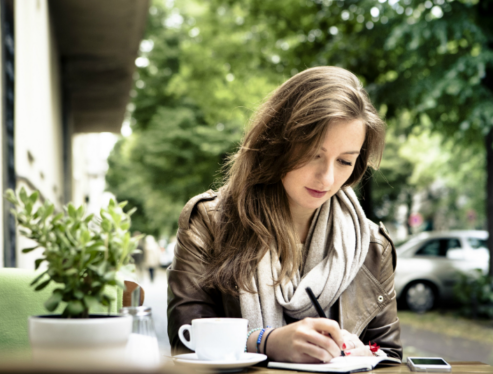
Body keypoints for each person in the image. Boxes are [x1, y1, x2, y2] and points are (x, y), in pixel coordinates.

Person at [167, 66, 402, 362]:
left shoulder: (372, 246)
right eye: (314, 154)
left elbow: (390, 353)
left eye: (344, 161)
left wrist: (365, 352)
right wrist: (265, 342)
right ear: (277, 142)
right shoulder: (209, 222)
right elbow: (184, 343)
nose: (327, 178)